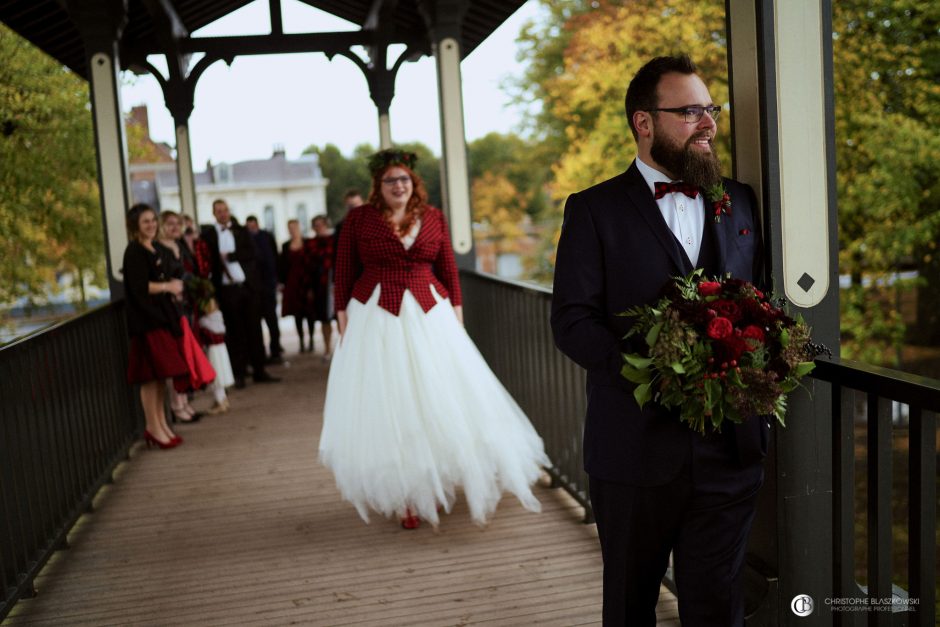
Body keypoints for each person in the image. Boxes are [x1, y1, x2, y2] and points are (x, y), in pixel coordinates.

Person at [550, 55, 767, 626]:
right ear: (644, 123)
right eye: (690, 110)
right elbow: (571, 322)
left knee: (719, 608)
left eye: (710, 109)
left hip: (730, 453)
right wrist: (654, 372)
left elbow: (762, 303)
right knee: (629, 607)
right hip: (633, 453)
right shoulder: (592, 210)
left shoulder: (740, 201)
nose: (708, 123)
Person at [319, 149, 549, 530]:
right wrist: (342, 319)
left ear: (414, 183)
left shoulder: (434, 217)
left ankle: (435, 485)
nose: (398, 186)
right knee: (393, 405)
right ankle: (408, 496)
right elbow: (343, 272)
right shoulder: (359, 219)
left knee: (439, 402)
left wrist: (456, 318)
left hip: (430, 315)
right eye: (391, 180)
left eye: (404, 179)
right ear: (379, 185)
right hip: (377, 317)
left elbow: (449, 271)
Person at [123, 204, 215, 449]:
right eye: (146, 222)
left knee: (160, 377)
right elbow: (139, 286)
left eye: (153, 220)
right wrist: (168, 287)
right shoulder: (134, 252)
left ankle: (161, 424)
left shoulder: (153, 248)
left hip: (163, 317)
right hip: (147, 321)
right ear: (135, 226)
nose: (152, 225)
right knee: (149, 378)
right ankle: (153, 427)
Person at [200, 199, 280, 389]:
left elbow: (254, 254)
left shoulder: (242, 231)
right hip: (226, 290)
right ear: (214, 214)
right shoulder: (209, 235)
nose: (222, 213)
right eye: (218, 211)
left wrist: (230, 256)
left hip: (247, 287)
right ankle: (240, 373)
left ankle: (259, 369)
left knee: (254, 329)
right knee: (234, 333)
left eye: (225, 210)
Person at [157, 210, 206, 423]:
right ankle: (177, 407)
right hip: (170, 308)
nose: (174, 227)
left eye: (177, 223)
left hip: (186, 305)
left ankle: (185, 402)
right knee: (177, 356)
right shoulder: (159, 249)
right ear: (162, 226)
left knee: (187, 353)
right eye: (169, 224)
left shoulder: (181, 246)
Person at [245, 215, 284, 364]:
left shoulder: (266, 237)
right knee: (256, 324)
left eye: (253, 226)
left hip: (268, 286)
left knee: (272, 320)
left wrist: (276, 280)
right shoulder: (246, 239)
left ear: (257, 225)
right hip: (254, 288)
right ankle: (260, 354)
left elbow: (274, 259)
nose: (251, 229)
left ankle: (275, 350)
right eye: (249, 227)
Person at [279, 219, 316, 352]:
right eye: (290, 228)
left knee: (309, 312)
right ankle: (301, 341)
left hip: (306, 282)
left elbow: (313, 264)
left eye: (294, 227)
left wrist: (312, 285)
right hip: (292, 283)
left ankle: (311, 339)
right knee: (297, 314)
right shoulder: (285, 246)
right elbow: (282, 266)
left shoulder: (308, 243)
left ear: (299, 227)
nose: (293, 230)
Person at [306, 214, 336, 359]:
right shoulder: (310, 244)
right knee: (324, 319)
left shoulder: (334, 240)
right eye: (316, 225)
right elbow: (308, 267)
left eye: (321, 224)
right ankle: (327, 348)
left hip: (335, 284)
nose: (319, 227)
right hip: (319, 286)